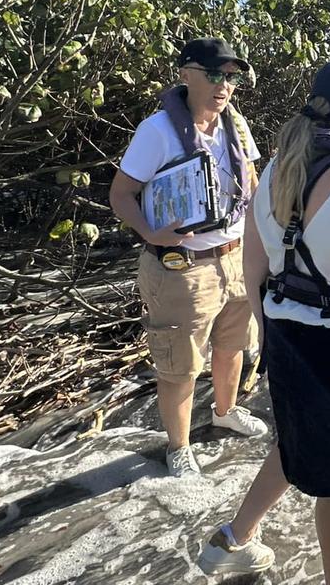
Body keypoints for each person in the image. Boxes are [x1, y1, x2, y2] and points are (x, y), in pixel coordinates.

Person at [197, 59, 330, 584]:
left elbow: (255, 268)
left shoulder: (277, 167)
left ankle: (233, 539)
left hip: (285, 334)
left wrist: (272, 339)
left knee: (295, 439)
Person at [109, 38, 269, 477]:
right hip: (182, 267)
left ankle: (225, 411)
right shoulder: (156, 131)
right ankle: (178, 447)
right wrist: (150, 232)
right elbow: (121, 194)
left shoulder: (236, 126)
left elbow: (252, 185)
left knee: (234, 344)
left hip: (235, 257)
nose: (224, 86)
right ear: (185, 74)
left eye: (231, 77)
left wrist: (265, 243)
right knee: (179, 362)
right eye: (215, 74)